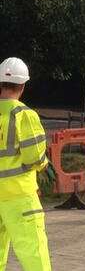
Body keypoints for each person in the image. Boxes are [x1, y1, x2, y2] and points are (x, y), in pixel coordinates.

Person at [0, 57, 52, 270]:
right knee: (34, 254)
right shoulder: (25, 116)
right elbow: (35, 158)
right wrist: (44, 165)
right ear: (22, 86)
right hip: (20, 197)